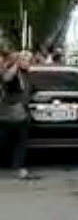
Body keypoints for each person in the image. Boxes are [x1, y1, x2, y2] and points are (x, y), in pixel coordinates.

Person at [0, 51, 34, 180]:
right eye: (25, 60)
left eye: (29, 60)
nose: (28, 63)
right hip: (9, 113)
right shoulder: (13, 73)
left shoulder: (26, 74)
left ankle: (19, 167)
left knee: (20, 142)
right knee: (6, 141)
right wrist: (16, 64)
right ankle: (18, 167)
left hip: (20, 114)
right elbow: (6, 78)